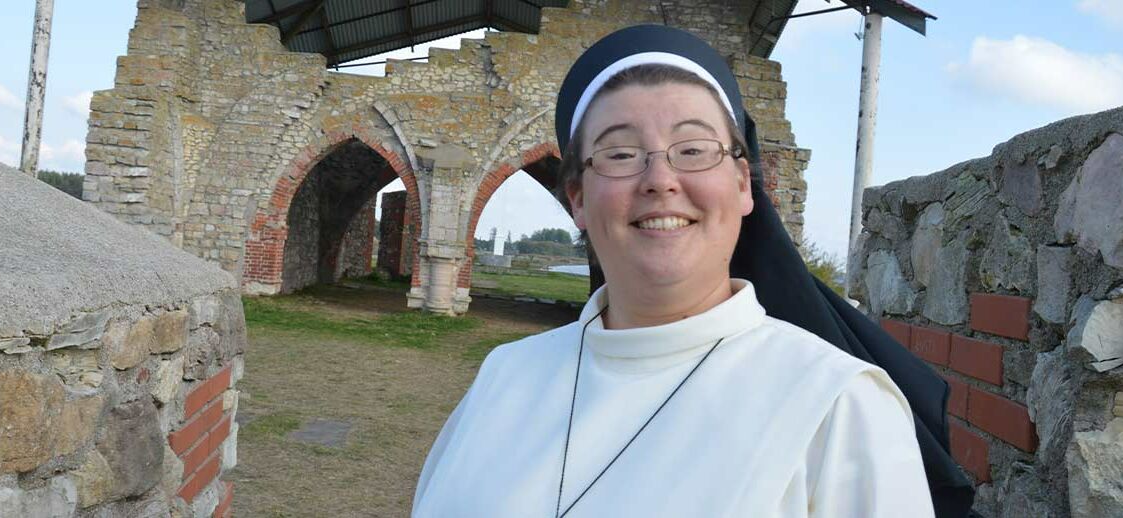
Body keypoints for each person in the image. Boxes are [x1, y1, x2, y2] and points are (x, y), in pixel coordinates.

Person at [412, 25, 973, 518]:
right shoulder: (504, 374)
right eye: (620, 152)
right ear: (579, 199)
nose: (659, 178)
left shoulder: (841, 408)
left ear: (743, 184)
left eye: (694, 148)